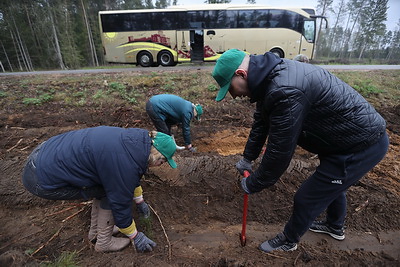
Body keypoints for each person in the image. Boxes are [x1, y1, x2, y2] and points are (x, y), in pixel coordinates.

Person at [212, 49, 388, 253]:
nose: (234, 96)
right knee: (332, 185)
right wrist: (248, 158)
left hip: (361, 145)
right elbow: (261, 123)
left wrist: (254, 182)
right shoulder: (270, 80)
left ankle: (289, 240)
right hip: (342, 139)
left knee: (307, 197)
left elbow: (280, 152)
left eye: (231, 89)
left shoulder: (284, 90)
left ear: (241, 74)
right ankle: (334, 226)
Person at [22, 126, 178, 253]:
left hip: (43, 154)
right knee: (108, 192)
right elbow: (120, 200)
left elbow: (131, 175)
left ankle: (95, 232)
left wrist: (140, 201)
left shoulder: (134, 142)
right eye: (163, 161)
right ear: (157, 155)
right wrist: (135, 236)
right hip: (40, 178)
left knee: (107, 186)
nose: (161, 165)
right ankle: (104, 242)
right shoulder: (125, 163)